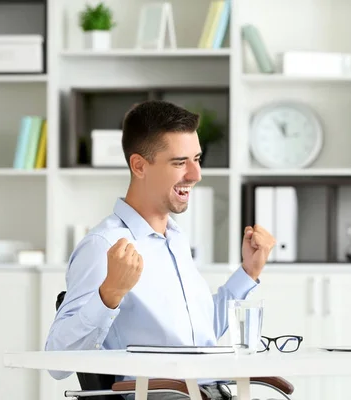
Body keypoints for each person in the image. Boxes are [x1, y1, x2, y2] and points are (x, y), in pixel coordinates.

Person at [45, 100, 276, 400]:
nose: (196, 174)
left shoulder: (175, 238)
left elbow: (198, 339)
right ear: (139, 165)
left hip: (209, 391)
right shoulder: (104, 246)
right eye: (180, 162)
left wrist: (248, 272)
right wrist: (109, 295)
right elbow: (57, 360)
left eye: (197, 159)